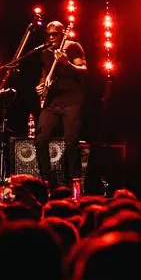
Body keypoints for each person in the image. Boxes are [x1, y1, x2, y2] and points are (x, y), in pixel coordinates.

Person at [35, 21, 87, 189]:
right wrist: (41, 85)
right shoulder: (45, 52)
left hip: (72, 100)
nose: (51, 37)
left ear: (62, 33)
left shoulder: (73, 46)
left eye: (54, 34)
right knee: (41, 139)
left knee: (71, 142)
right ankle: (45, 180)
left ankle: (74, 181)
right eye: (48, 35)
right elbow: (45, 74)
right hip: (53, 101)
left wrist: (67, 64)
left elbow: (84, 70)